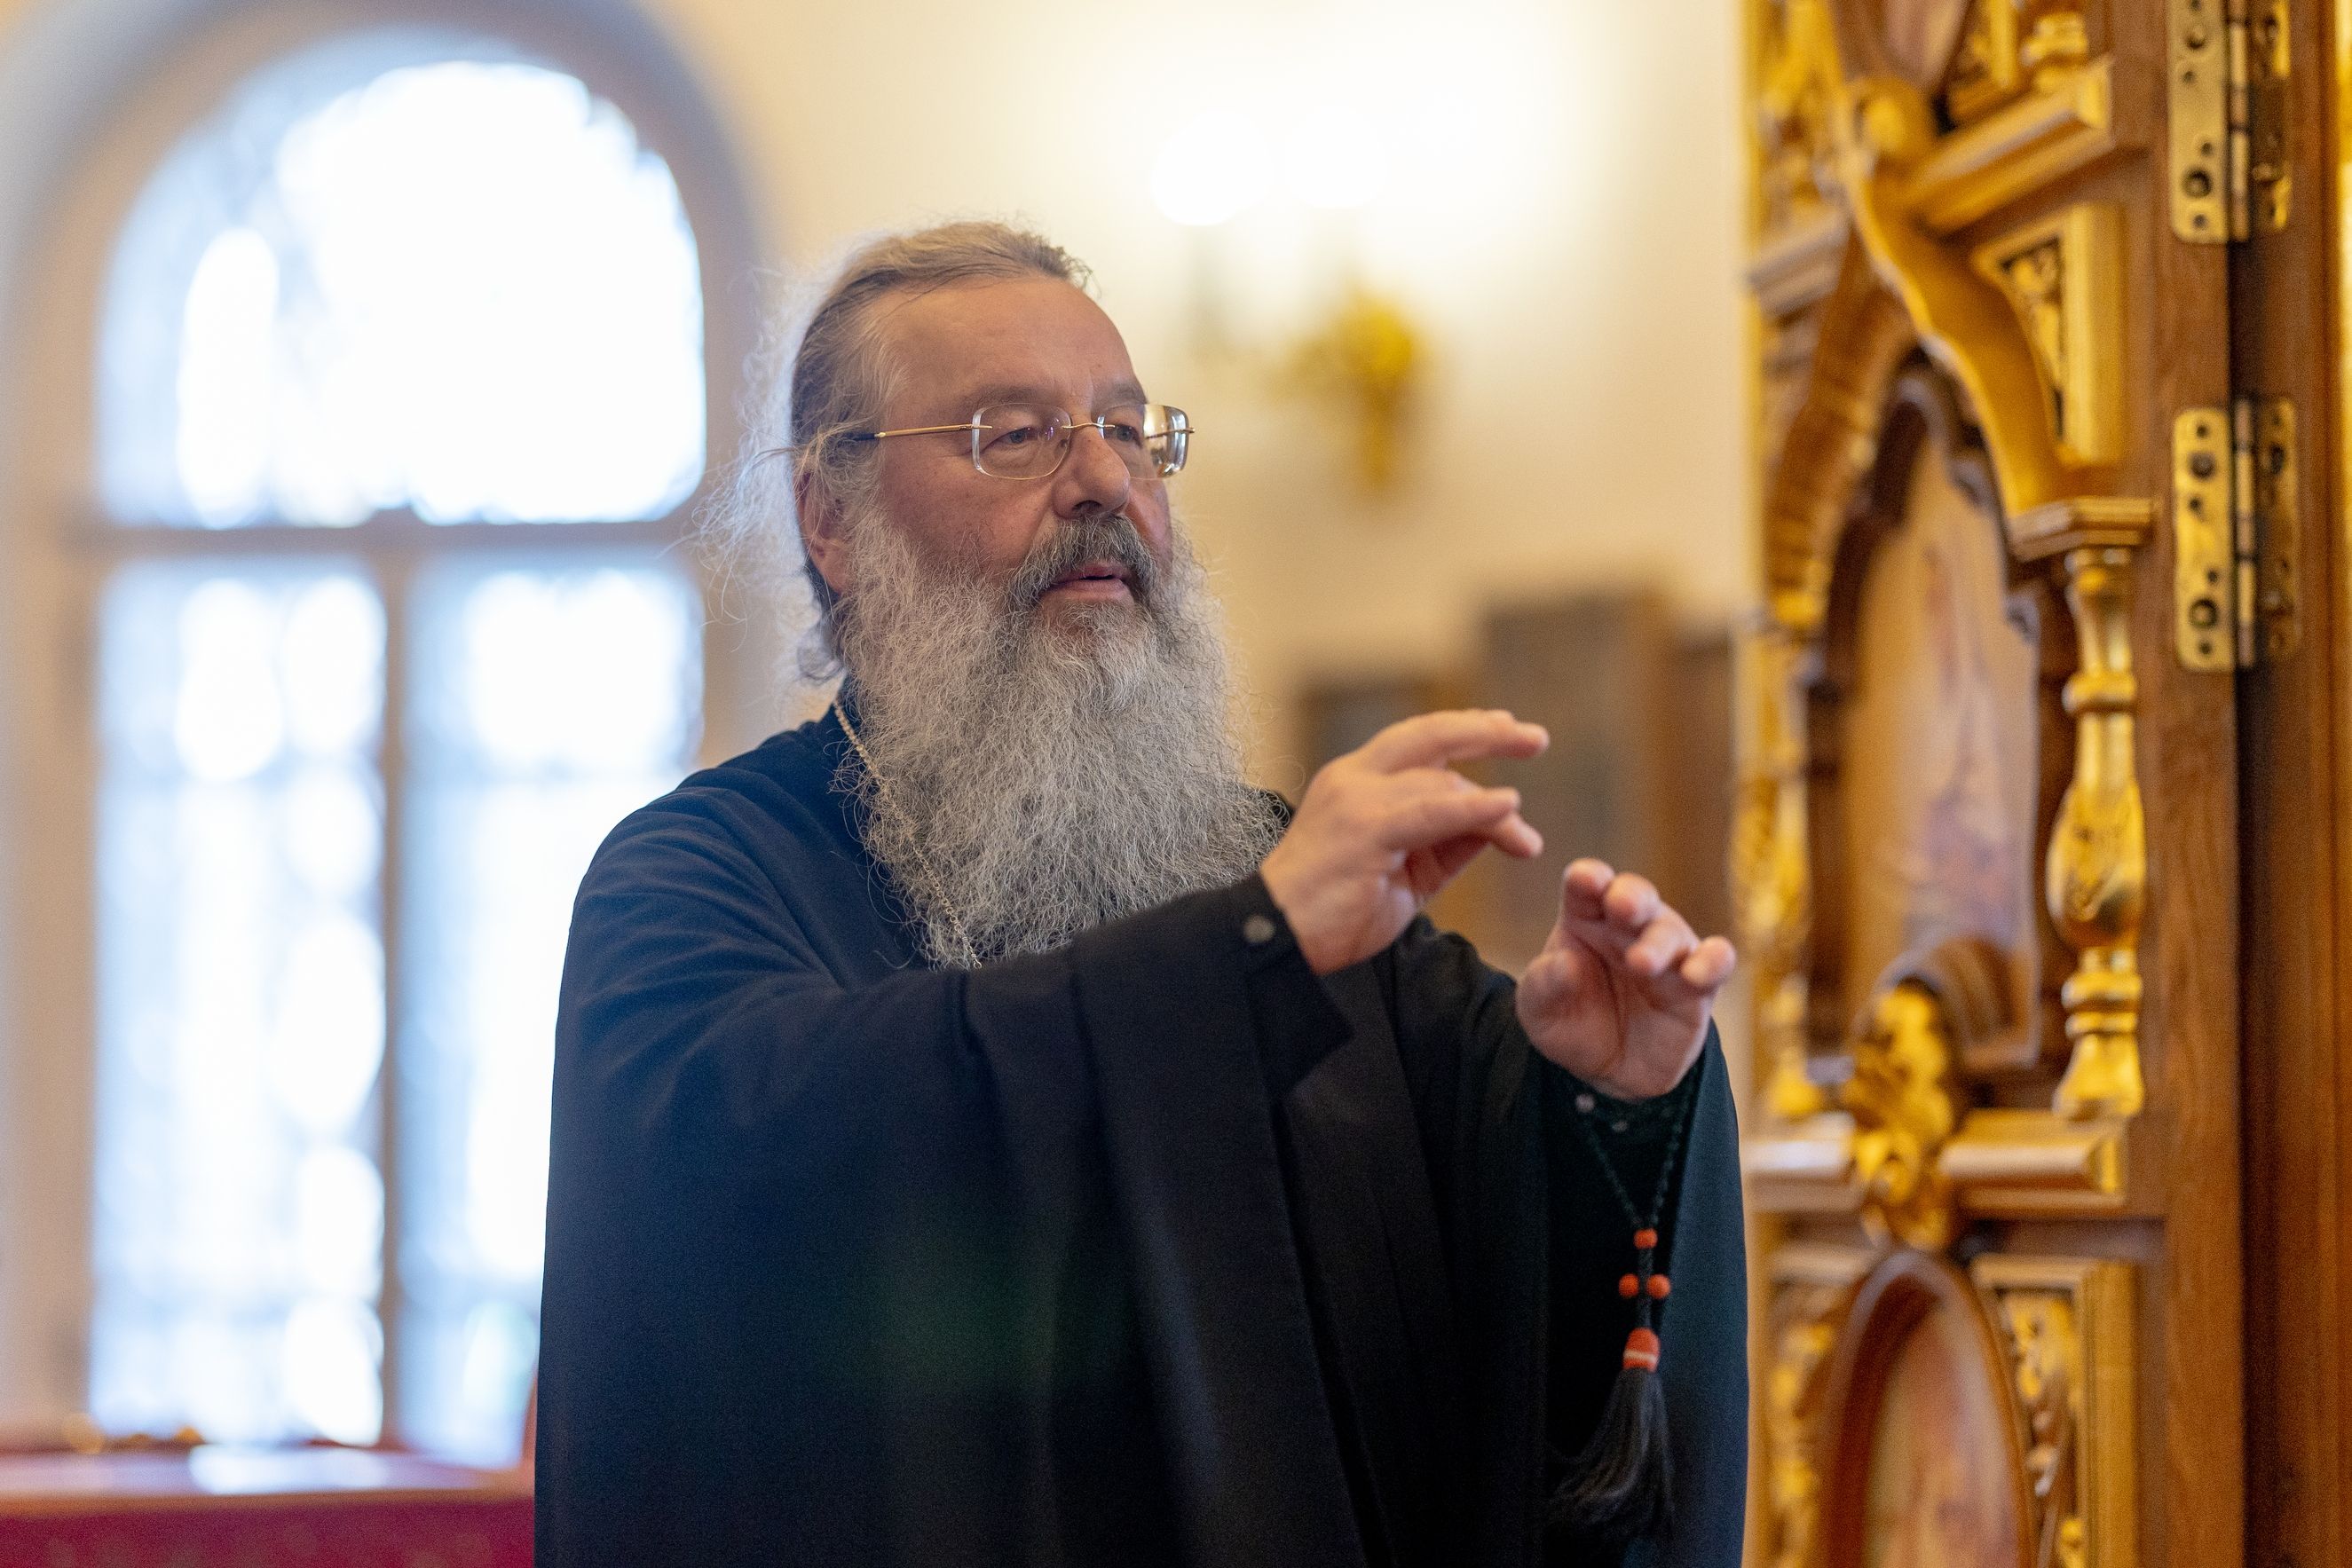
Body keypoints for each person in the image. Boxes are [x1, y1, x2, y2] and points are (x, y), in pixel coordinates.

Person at [536, 222, 1746, 1568]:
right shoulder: (698, 882)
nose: (1105, 481)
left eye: (1129, 430)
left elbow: (1508, 1287)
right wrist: (1243, 958)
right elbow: (781, 1172)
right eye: (1015, 435)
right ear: (833, 516)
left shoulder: (1273, 873)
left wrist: (1608, 1093)